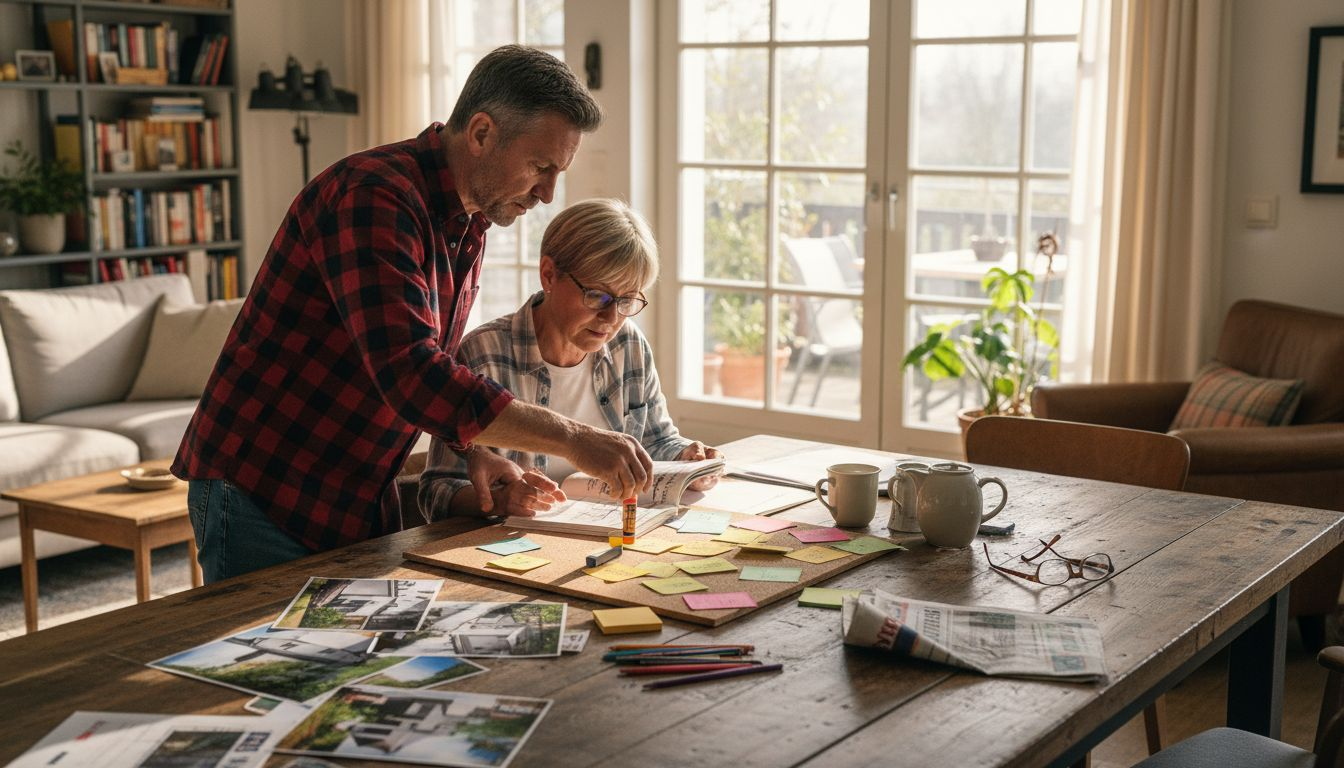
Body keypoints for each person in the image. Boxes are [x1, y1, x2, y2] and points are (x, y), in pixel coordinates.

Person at [173, 46, 654, 583]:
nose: (547, 194)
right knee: (260, 664)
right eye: (541, 167)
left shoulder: (467, 221)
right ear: (480, 133)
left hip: (351, 492)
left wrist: (468, 450)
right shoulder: (374, 196)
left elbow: (423, 360)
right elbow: (410, 372)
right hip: (264, 488)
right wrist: (575, 439)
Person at [419, 198, 721, 519]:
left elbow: (655, 440)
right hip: (520, 553)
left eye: (627, 299)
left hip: (612, 536)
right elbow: (436, 492)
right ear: (548, 275)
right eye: (597, 296)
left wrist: (687, 458)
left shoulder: (628, 345)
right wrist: (502, 500)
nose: (611, 317)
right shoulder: (484, 354)